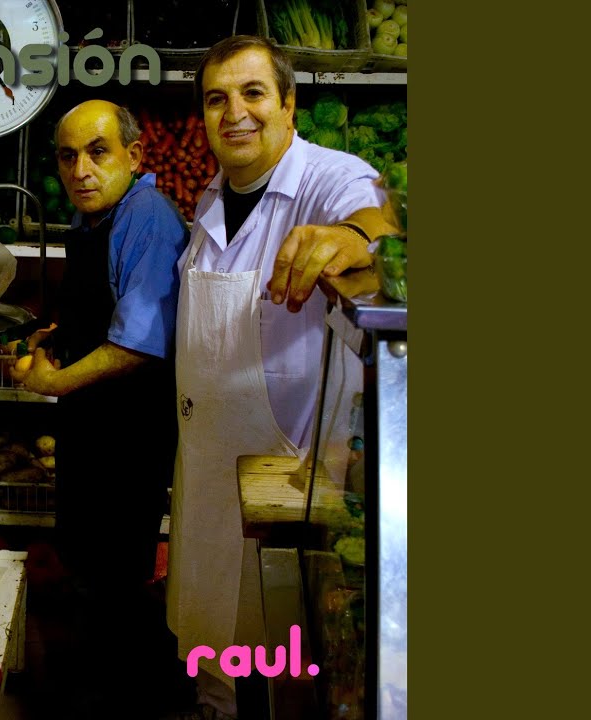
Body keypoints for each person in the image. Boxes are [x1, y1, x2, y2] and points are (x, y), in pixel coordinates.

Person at [166, 35, 397, 720]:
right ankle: (214, 704)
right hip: (207, 457)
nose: (234, 113)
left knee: (283, 653)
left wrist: (351, 238)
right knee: (212, 625)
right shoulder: (214, 194)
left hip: (285, 464)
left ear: (289, 105)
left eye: (253, 93)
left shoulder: (327, 177)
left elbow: (379, 216)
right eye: (216, 99)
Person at [10, 99, 191, 717]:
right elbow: (100, 310)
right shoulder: (96, 217)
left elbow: (136, 344)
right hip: (91, 427)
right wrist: (53, 337)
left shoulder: (148, 218)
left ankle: (122, 699)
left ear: (133, 155)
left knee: (116, 572)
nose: (80, 171)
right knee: (87, 560)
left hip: (128, 433)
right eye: (68, 157)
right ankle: (97, 683)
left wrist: (53, 382)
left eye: (97, 152)